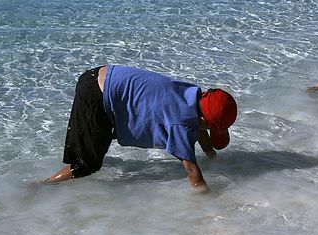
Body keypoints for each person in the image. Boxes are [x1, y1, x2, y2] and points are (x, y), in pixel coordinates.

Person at [45, 64, 237, 192]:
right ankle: (40, 187)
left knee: (100, 142)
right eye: (211, 127)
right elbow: (193, 173)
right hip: (96, 95)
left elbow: (201, 127)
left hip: (101, 75)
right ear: (203, 119)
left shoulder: (191, 94)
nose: (207, 130)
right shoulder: (180, 124)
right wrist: (211, 204)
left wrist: (211, 155)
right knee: (86, 166)